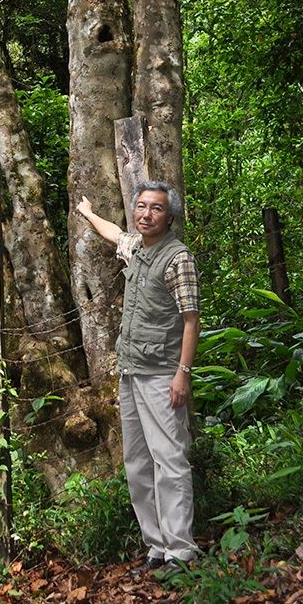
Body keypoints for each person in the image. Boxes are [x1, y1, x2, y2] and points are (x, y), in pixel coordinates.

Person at [77, 183, 200, 573]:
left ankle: (180, 551)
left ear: (170, 217)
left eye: (156, 209)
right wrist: (87, 212)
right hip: (130, 371)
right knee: (137, 462)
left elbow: (191, 321)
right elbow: (114, 233)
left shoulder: (178, 259)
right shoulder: (137, 249)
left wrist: (182, 375)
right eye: (142, 207)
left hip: (162, 374)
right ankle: (157, 546)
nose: (147, 214)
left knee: (170, 460)